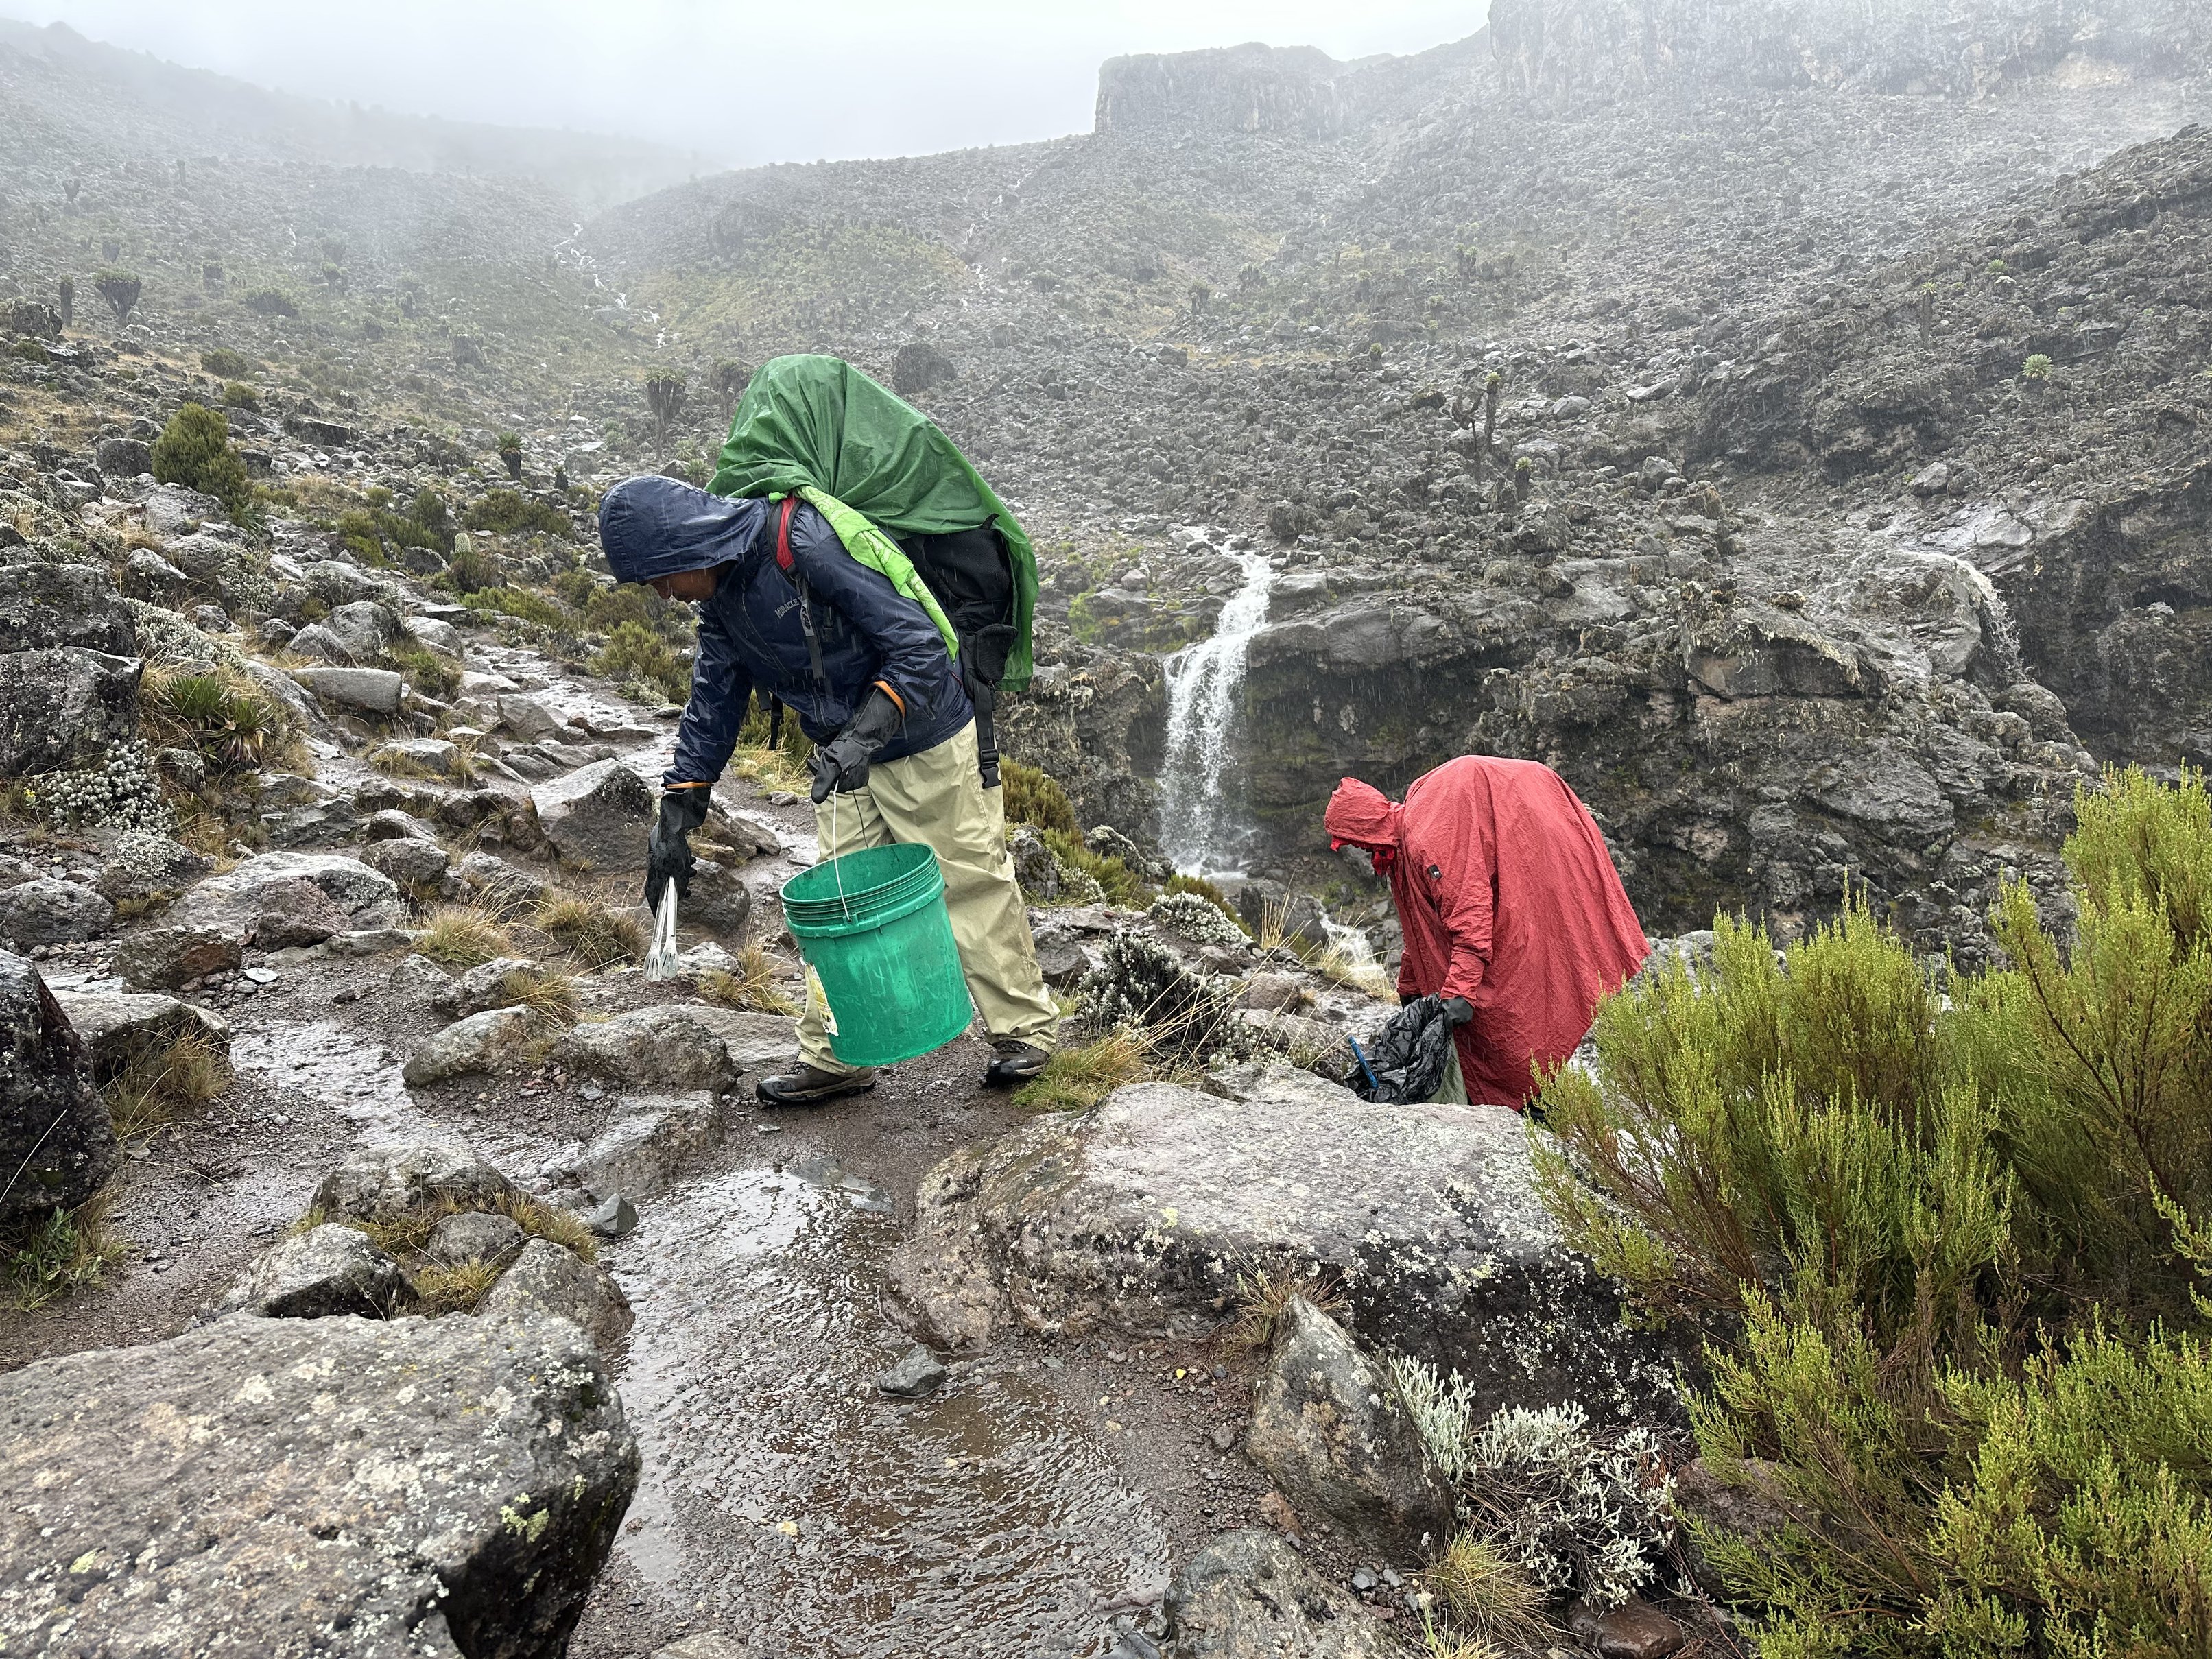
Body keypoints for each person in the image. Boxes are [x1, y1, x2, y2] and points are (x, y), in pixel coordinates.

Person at [597, 473, 1059, 1104]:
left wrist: (864, 734)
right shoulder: (720, 601)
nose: (663, 593)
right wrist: (677, 813)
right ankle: (839, 1055)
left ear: (685, 547)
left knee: (969, 876)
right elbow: (712, 701)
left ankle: (1025, 1033)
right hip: (842, 755)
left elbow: (920, 644)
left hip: (923, 735)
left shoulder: (804, 541)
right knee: (836, 906)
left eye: (659, 576)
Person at [1323, 756, 1650, 1108]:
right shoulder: (1400, 852)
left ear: (1366, 828)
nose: (1357, 849)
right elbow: (1422, 930)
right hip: (1499, 907)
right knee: (1492, 1030)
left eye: (1355, 840)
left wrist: (1459, 991)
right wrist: (1411, 989)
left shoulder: (1424, 839)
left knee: (1513, 1017)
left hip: (1516, 906)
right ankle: (1526, 1100)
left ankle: (1532, 1105)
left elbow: (1469, 914)